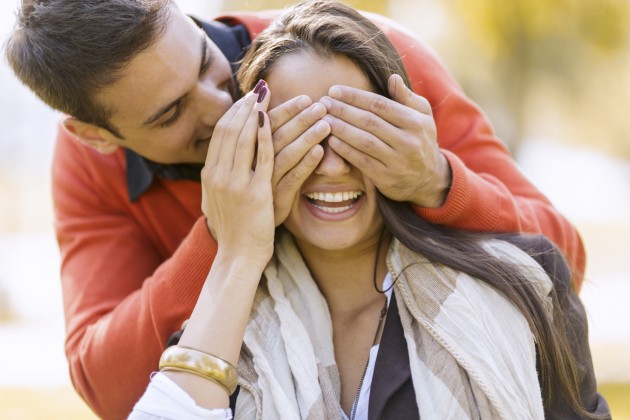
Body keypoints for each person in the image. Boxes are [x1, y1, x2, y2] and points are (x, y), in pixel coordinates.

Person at [4, 0, 587, 418]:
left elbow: (561, 264)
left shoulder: (353, 54)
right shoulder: (90, 168)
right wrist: (225, 233)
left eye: (207, 63)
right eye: (169, 114)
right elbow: (109, 391)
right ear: (97, 135)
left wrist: (436, 180)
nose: (220, 106)